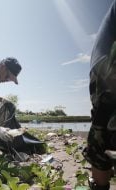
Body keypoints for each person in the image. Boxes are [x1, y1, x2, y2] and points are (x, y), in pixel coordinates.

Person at [82, 1, 116, 189]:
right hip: (107, 65)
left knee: (102, 131)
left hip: (102, 67)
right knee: (103, 131)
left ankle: (99, 183)